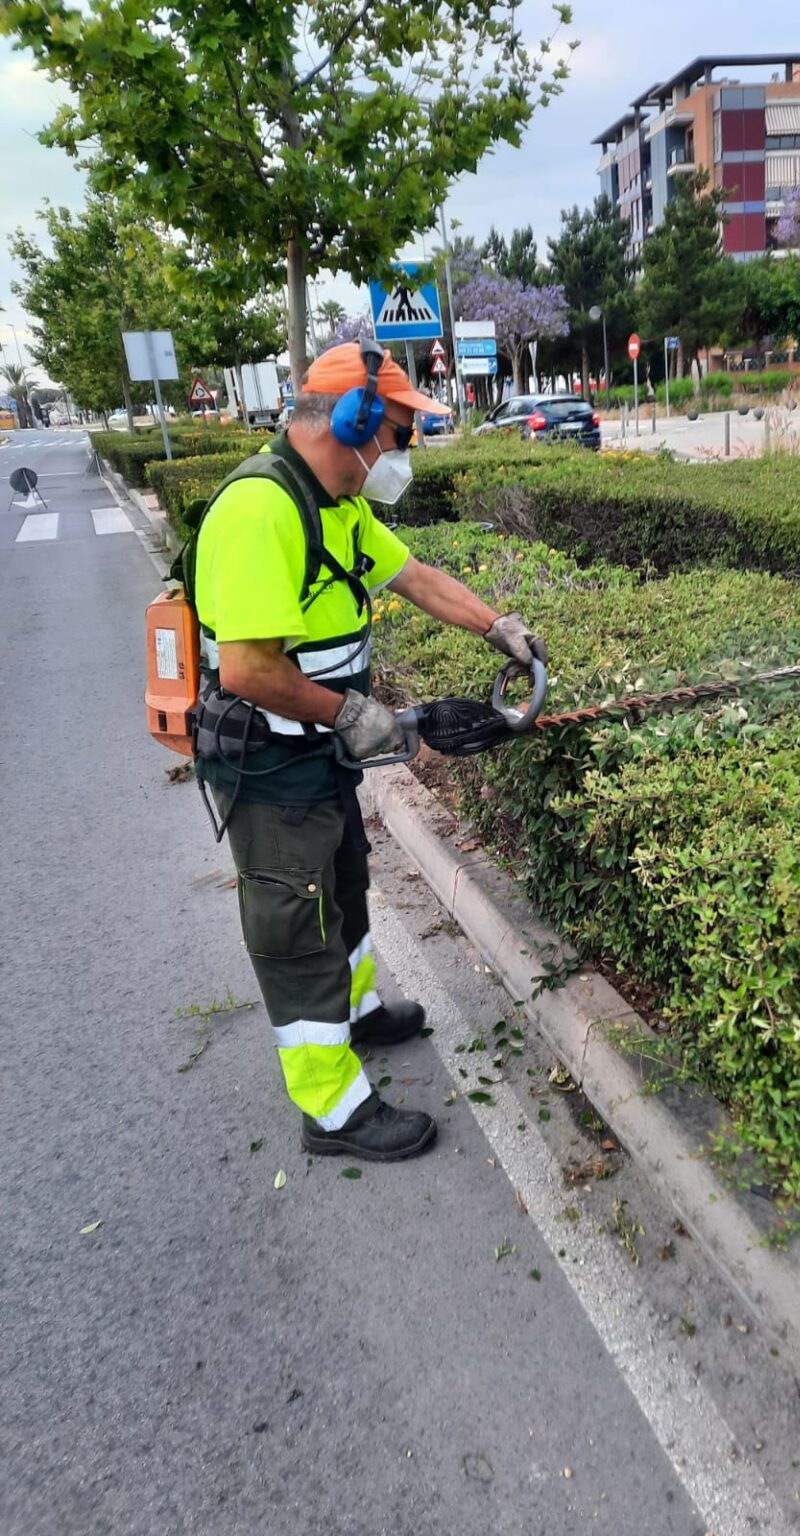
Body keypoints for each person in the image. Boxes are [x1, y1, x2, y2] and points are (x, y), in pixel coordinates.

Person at [191, 340, 547, 1163]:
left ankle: (353, 1016)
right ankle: (333, 1109)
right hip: (271, 764)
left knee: (344, 885)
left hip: (318, 757)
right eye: (398, 435)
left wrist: (497, 625)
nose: (401, 457)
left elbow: (415, 576)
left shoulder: (336, 506)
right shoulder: (261, 510)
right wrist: (351, 714)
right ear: (351, 421)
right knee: (297, 923)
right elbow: (246, 668)